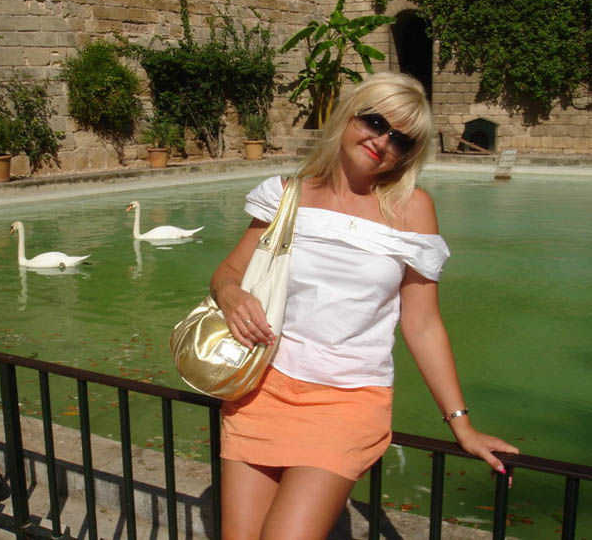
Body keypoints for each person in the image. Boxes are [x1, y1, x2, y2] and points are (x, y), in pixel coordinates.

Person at [209, 72, 519, 540]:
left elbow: (423, 325)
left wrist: (462, 425)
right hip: (262, 388)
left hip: (348, 400)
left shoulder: (412, 209)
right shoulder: (286, 195)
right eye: (375, 122)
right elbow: (228, 272)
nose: (382, 141)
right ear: (348, 116)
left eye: (401, 139)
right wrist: (232, 295)